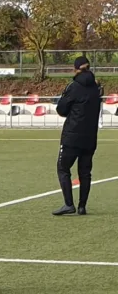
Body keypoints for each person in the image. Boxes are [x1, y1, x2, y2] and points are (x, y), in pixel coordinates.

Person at [53, 56, 101, 216]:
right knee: (85, 172)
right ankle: (82, 206)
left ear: (76, 69)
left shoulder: (73, 87)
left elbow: (62, 110)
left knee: (63, 168)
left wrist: (63, 97)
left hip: (72, 137)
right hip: (90, 137)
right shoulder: (96, 88)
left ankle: (69, 204)